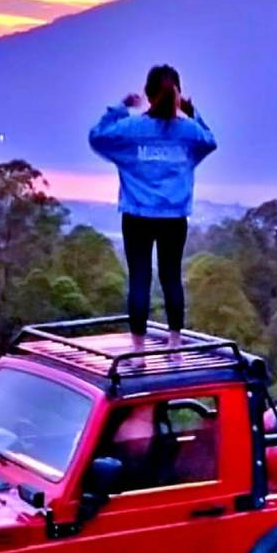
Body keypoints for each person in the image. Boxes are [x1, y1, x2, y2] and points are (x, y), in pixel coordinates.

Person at [88, 64, 217, 355]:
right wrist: (192, 111)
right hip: (173, 216)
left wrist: (120, 107)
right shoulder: (188, 132)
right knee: (171, 276)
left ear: (147, 93)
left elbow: (97, 137)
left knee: (139, 278)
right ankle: (174, 341)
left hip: (137, 214)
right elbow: (210, 141)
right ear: (178, 94)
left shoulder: (132, 129)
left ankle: (138, 347)